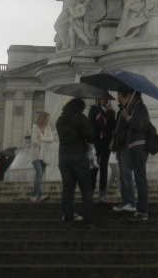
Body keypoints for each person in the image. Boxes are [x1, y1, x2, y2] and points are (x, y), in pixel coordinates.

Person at [56, 97, 94, 229]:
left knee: (67, 190)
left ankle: (68, 220)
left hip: (63, 157)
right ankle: (88, 220)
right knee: (86, 189)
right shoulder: (81, 119)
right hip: (78, 156)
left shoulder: (60, 121)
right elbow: (91, 136)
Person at [114, 86, 150, 222]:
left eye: (125, 96)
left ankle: (143, 211)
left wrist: (127, 116)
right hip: (134, 146)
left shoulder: (140, 107)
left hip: (139, 147)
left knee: (140, 179)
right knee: (139, 178)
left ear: (131, 96)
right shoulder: (135, 107)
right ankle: (141, 210)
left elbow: (138, 125)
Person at [88, 99, 115, 203]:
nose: (102, 100)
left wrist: (110, 112)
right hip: (96, 141)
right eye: (100, 98)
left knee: (104, 167)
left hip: (106, 142)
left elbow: (112, 125)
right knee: (94, 167)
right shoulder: (93, 109)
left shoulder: (111, 111)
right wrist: (105, 127)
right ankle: (90, 193)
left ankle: (102, 194)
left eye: (104, 98)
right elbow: (91, 123)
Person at [31, 111, 54, 203]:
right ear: (43, 118)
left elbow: (51, 139)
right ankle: (40, 195)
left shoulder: (48, 128)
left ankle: (33, 196)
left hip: (45, 155)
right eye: (47, 118)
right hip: (36, 155)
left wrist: (41, 139)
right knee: (39, 174)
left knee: (39, 176)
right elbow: (34, 141)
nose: (48, 120)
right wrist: (44, 141)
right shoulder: (35, 128)